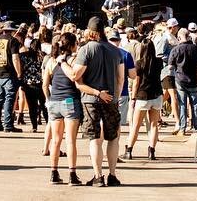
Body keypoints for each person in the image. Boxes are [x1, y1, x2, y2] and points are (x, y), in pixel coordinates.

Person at [68, 16, 125, 188]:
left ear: (91, 31)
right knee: (113, 137)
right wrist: (115, 95)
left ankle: (98, 176)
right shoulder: (116, 51)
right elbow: (121, 77)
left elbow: (75, 75)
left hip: (91, 100)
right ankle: (112, 175)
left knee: (94, 138)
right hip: (111, 99)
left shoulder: (86, 50)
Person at [45, 31, 82, 185]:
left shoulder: (51, 61)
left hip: (54, 101)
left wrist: (48, 99)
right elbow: (75, 76)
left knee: (56, 140)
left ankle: (54, 172)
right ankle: (72, 175)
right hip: (69, 100)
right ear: (73, 45)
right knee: (71, 141)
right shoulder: (73, 60)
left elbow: (45, 83)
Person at [125, 21, 163, 161]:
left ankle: (129, 150)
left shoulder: (139, 63)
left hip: (142, 95)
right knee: (153, 124)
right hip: (156, 94)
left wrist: (133, 98)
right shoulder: (158, 62)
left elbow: (136, 82)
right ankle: (151, 151)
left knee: (135, 125)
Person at [169, 29, 197, 135]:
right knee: (195, 104)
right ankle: (196, 126)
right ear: (189, 36)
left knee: (182, 104)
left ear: (179, 38)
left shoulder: (175, 49)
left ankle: (182, 128)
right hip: (193, 79)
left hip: (180, 79)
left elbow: (170, 66)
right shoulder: (195, 48)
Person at [0, 22, 23, 133]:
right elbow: (15, 58)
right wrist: (19, 73)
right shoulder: (13, 41)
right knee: (9, 98)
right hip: (9, 73)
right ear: (12, 30)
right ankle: (8, 124)